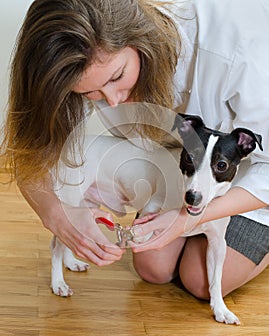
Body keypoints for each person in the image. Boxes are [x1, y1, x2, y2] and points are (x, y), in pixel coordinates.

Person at [0, 0, 268, 300]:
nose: (112, 101)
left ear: (140, 39)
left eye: (117, 77)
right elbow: (31, 154)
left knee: (199, 280)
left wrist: (188, 218)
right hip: (189, 179)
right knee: (153, 268)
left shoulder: (240, 54)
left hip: (256, 177)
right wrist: (59, 215)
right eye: (90, 93)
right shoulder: (83, 66)